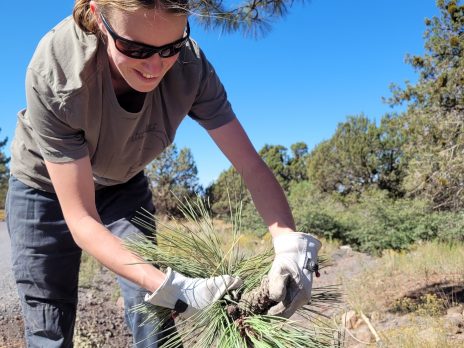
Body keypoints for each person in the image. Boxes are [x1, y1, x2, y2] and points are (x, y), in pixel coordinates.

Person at [6, 0, 322, 346]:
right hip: (43, 185)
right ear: (98, 17)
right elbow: (82, 219)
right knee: (48, 313)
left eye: (170, 47)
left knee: (152, 304)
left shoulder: (191, 67)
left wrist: (289, 243)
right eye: (135, 48)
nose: (155, 66)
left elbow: (249, 164)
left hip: (122, 184)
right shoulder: (57, 72)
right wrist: (178, 287)